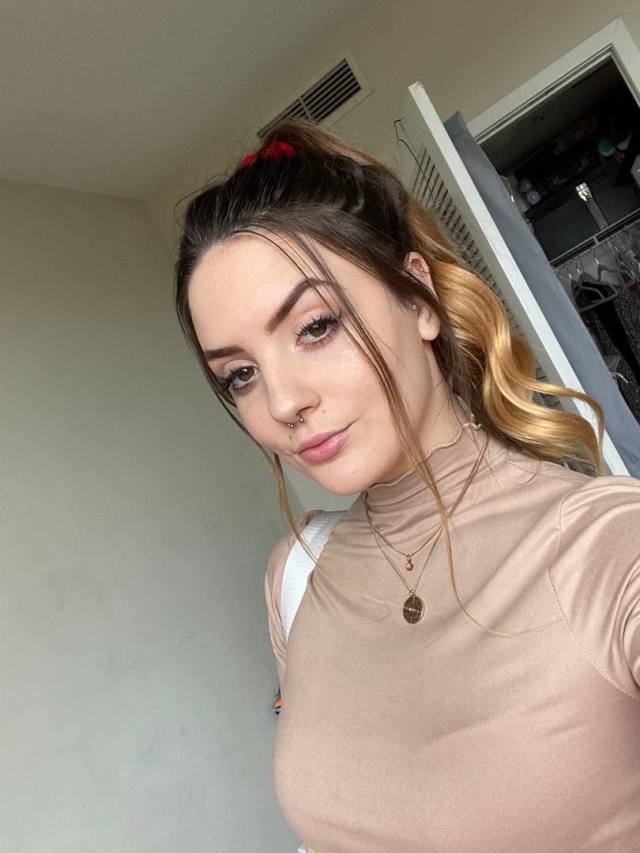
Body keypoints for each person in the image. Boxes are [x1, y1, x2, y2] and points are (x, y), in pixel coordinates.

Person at [174, 120, 640, 852]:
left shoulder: (610, 547)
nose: (283, 401)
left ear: (419, 297)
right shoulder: (297, 577)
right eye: (240, 374)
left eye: (315, 326)